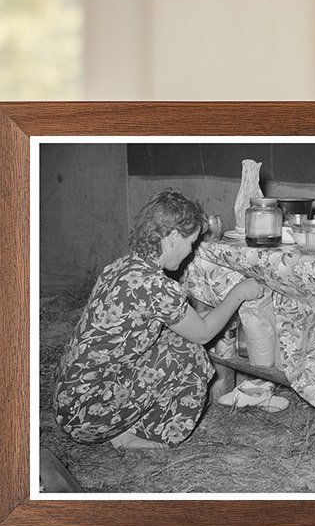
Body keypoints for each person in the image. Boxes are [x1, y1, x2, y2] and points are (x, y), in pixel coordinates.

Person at [54, 189, 264, 449]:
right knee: (191, 354)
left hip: (69, 399)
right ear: (173, 237)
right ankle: (144, 435)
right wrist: (239, 293)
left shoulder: (123, 266)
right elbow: (202, 334)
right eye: (191, 242)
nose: (190, 251)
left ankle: (123, 426)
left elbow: (182, 323)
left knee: (175, 342)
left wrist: (213, 314)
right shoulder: (157, 286)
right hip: (87, 416)